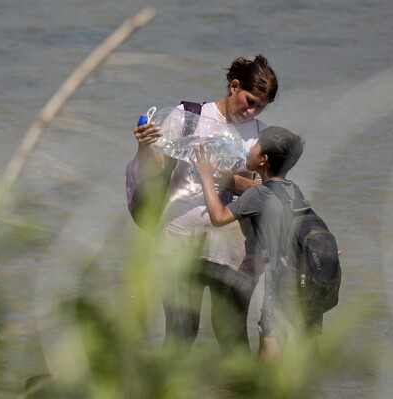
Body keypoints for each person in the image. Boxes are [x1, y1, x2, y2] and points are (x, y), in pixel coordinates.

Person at [132, 55, 278, 355]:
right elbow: (153, 173)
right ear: (233, 86)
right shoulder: (186, 117)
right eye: (249, 101)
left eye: (260, 106)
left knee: (233, 338)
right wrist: (144, 145)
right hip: (179, 242)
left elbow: (271, 192)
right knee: (181, 334)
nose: (251, 111)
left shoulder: (263, 136)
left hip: (236, 251)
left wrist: (226, 180)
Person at [189, 126, 310, 362]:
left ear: (263, 159)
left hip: (282, 280)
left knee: (270, 342)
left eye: (255, 146)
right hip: (307, 275)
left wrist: (205, 175)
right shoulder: (292, 189)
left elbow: (219, 216)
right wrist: (230, 181)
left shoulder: (258, 195)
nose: (250, 148)